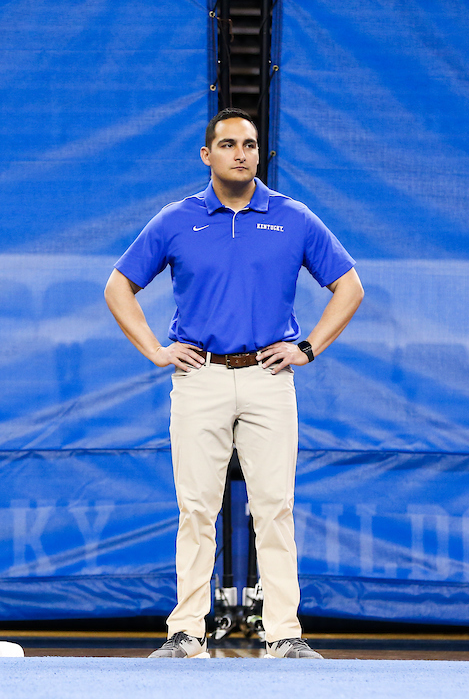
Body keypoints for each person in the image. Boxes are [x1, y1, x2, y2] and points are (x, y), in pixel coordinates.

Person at [103, 108, 363, 659]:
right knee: (196, 508)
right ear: (207, 155)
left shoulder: (293, 218)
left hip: (269, 379)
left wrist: (308, 348)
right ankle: (187, 634)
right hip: (200, 378)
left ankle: (284, 634)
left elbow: (350, 286)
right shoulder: (177, 219)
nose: (240, 152)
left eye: (249, 144)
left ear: (258, 154)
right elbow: (118, 286)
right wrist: (154, 350)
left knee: (274, 507)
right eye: (227, 144)